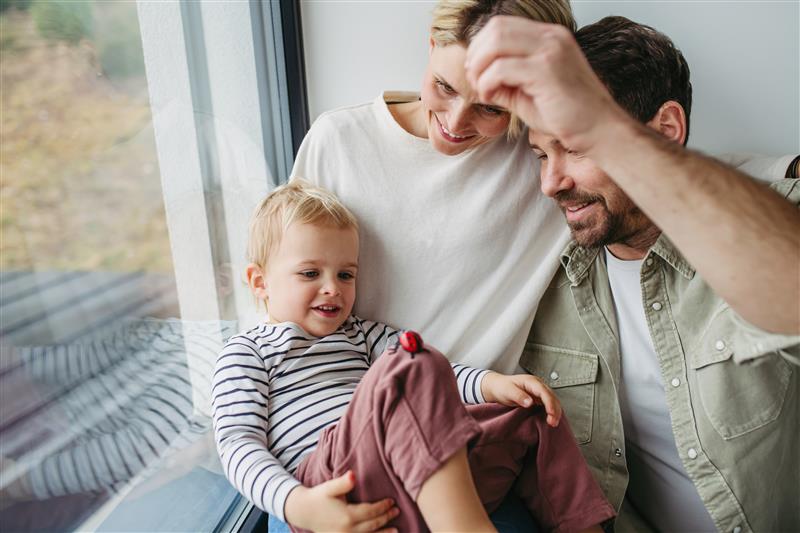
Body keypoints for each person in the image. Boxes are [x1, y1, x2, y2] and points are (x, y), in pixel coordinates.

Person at [465, 14, 800, 533]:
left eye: (575, 145)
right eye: (540, 154)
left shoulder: (761, 231)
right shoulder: (542, 276)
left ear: (665, 131)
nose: (551, 182)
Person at [211, 181, 615, 532]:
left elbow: (436, 378)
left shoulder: (360, 334)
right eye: (310, 274)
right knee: (413, 358)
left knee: (530, 410)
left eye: (345, 275)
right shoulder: (247, 352)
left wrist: (494, 384)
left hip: (408, 477)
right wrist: (296, 503)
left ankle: (583, 528)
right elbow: (237, 443)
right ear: (259, 282)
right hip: (331, 483)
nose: (333, 289)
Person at [291, 0, 577, 376]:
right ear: (431, 45)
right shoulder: (339, 142)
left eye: (492, 109)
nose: (456, 122)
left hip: (476, 419)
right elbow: (282, 296)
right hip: (344, 409)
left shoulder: (545, 162)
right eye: (444, 86)